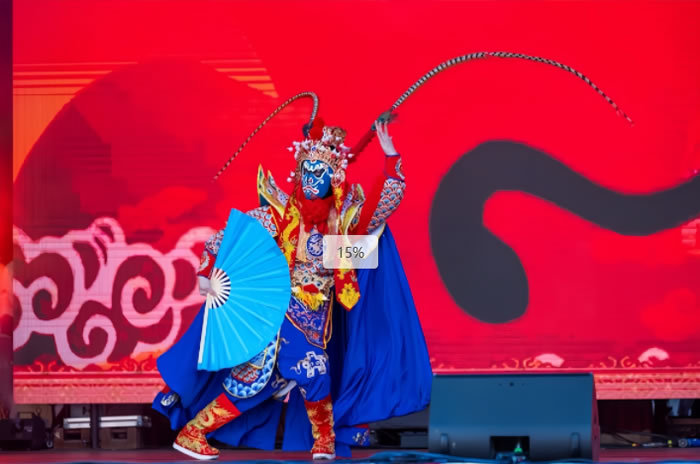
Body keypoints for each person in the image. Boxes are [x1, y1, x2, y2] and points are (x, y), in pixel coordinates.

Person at [153, 118, 431, 460]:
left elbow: (378, 214)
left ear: (334, 178)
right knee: (313, 370)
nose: (312, 179)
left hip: (317, 319)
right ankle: (324, 441)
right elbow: (227, 238)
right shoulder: (280, 215)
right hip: (278, 312)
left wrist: (390, 158)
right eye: (306, 171)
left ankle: (194, 432)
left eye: (319, 172)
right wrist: (205, 273)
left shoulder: (341, 226)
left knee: (255, 384)